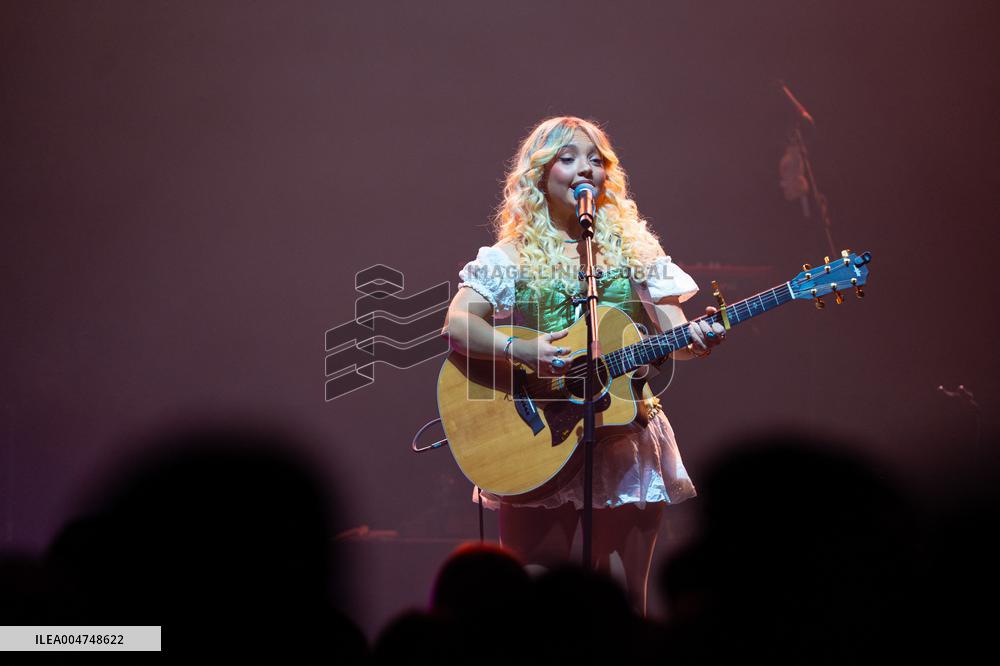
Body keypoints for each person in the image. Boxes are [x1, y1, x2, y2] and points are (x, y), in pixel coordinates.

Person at [440, 116, 726, 613]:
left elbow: (673, 337)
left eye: (596, 160)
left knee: (621, 606)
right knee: (527, 604)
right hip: (540, 433)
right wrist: (522, 349)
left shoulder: (639, 252)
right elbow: (458, 325)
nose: (584, 169)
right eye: (568, 158)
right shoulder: (511, 256)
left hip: (624, 435)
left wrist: (696, 340)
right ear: (540, 174)